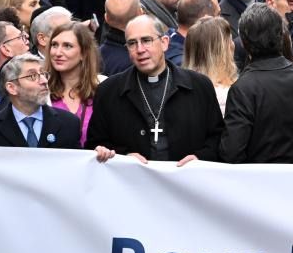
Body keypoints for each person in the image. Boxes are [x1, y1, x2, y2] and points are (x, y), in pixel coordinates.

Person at [87, 15, 225, 164]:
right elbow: (95, 144)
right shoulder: (109, 91)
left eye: (146, 40)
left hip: (185, 181)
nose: (140, 49)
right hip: (133, 182)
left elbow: (217, 137)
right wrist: (123, 157)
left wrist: (200, 157)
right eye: (132, 43)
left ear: (164, 43)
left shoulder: (199, 85)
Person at [220, 4, 293, 164]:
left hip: (260, 182)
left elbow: (232, 150)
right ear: (282, 36)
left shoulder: (242, 88)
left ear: (244, 44)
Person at [0, 52, 82, 149]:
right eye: (32, 76)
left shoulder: (69, 124)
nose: (43, 80)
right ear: (12, 88)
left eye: (43, 74)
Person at [48, 21, 102, 147]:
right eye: (54, 45)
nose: (57, 53)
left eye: (67, 46)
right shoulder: (41, 92)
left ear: (83, 53)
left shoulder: (102, 90)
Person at [182, 17, 239, 114]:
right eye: (229, 40)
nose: (233, 45)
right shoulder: (226, 95)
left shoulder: (182, 89)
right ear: (222, 50)